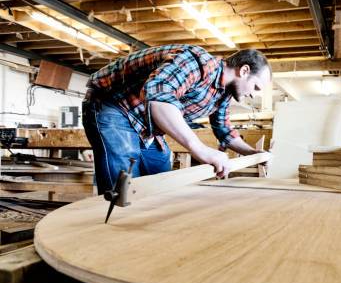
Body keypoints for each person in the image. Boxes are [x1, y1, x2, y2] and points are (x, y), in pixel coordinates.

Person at [82, 44, 271, 194]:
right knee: (124, 186)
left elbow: (224, 130)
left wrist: (252, 153)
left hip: (146, 125)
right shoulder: (197, 61)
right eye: (256, 87)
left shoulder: (223, 94)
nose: (254, 95)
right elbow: (158, 96)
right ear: (244, 71)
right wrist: (201, 150)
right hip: (114, 106)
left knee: (161, 180)